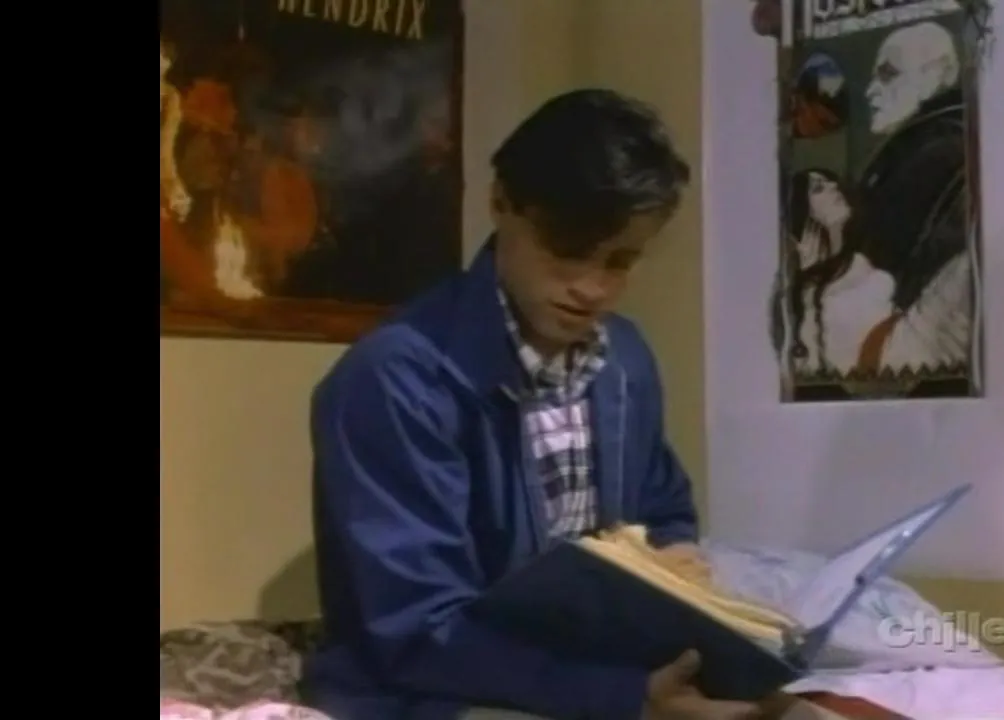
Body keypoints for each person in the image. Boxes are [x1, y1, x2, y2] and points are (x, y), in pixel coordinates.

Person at [302, 89, 775, 720]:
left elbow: (664, 507)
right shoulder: (395, 380)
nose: (592, 289)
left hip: (591, 675)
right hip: (427, 695)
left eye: (621, 261)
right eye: (568, 250)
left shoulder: (624, 359)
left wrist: (672, 565)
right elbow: (417, 630)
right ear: (501, 203)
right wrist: (623, 698)